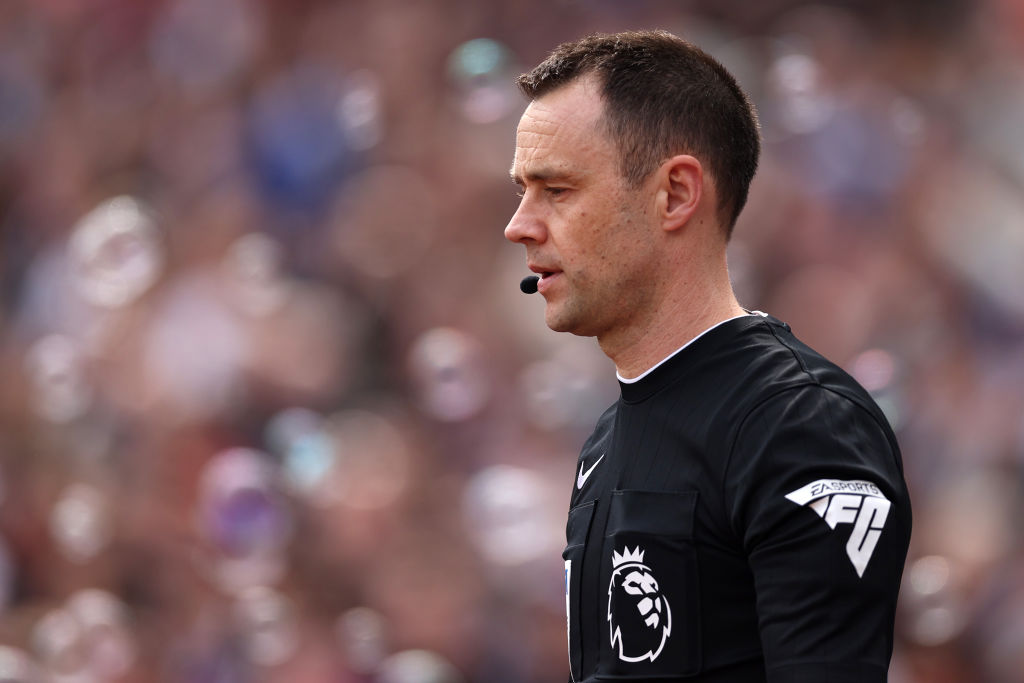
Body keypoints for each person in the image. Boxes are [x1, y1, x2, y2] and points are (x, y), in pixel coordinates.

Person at [504, 30, 912, 682]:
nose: (519, 224)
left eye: (556, 190)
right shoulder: (606, 440)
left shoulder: (796, 425)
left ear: (675, 194)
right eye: (523, 190)